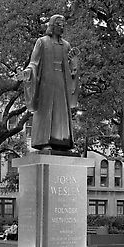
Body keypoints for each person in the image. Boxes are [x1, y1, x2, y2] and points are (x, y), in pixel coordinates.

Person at [18, 14, 80, 151]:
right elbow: (33, 63)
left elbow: (71, 69)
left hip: (62, 82)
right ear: (52, 26)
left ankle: (62, 141)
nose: (61, 27)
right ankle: (43, 140)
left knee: (61, 111)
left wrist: (74, 64)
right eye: (58, 24)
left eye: (63, 24)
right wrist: (28, 72)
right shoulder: (42, 42)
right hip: (46, 83)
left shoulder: (66, 45)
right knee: (47, 111)